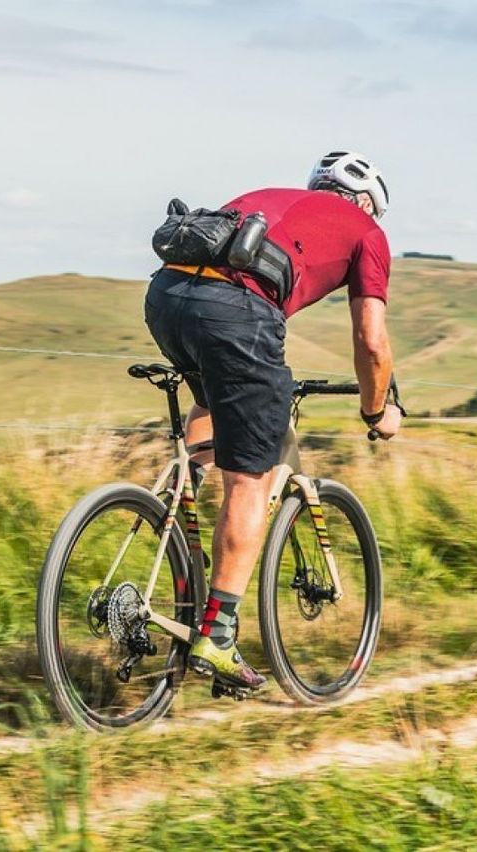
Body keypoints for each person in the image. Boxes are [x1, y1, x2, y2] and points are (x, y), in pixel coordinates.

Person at [143, 151, 402, 691]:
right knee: (252, 479)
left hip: (166, 298)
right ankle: (216, 637)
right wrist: (377, 411)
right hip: (237, 312)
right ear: (365, 205)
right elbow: (371, 342)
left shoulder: (270, 197)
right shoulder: (367, 233)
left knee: (217, 397)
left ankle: (180, 495)